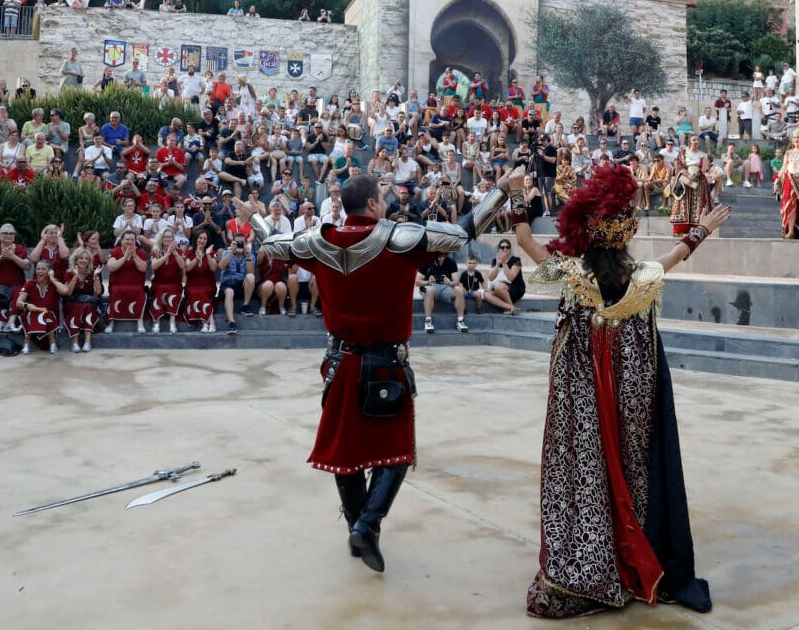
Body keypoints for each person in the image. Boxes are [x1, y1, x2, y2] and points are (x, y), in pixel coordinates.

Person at [245, 171, 515, 574]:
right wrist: (501, 192)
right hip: (386, 364)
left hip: (339, 364)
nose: (386, 203)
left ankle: (358, 529)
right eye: (382, 198)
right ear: (371, 204)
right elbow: (461, 233)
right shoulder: (398, 238)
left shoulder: (319, 242)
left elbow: (270, 243)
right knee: (396, 455)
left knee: (347, 455)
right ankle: (367, 526)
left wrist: (257, 217)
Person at [508, 163, 730, 618]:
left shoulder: (571, 276)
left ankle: (588, 568)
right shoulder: (644, 278)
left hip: (583, 402)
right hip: (632, 397)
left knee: (586, 469)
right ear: (625, 238)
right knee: (634, 469)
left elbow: (525, 240)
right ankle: (634, 557)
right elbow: (674, 257)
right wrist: (700, 231)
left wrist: (515, 193)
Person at [16, 260, 68, 355]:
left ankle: (52, 343)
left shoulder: (54, 284)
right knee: (33, 314)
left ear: (49, 271)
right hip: (31, 314)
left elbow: (65, 291)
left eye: (43, 269)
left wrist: (52, 278)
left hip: (50, 316)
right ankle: (26, 344)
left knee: (47, 313)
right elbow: (18, 303)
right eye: (38, 269)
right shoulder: (30, 283)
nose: (40, 271)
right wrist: (27, 305)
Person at [106, 229, 148, 333]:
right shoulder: (115, 251)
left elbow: (143, 268)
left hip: (136, 285)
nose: (129, 242)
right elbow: (111, 267)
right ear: (121, 240)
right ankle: (111, 323)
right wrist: (125, 257)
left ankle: (140, 322)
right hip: (117, 285)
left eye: (132, 240)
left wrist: (134, 255)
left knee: (139, 291)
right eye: (127, 239)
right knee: (116, 291)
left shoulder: (140, 252)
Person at [670, 136, 713, 237]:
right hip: (685, 180)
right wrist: (687, 175)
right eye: (694, 140)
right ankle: (680, 230)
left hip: (699, 181)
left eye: (697, 140)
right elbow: (678, 165)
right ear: (689, 142)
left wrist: (696, 175)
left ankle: (697, 230)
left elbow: (704, 169)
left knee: (698, 204)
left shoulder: (703, 155)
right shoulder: (683, 153)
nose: (696, 141)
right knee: (683, 204)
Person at [417, 249, 468, 334]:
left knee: (459, 290)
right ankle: (428, 321)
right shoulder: (427, 262)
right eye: (440, 256)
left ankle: (460, 321)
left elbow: (457, 282)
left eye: (445, 255)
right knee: (430, 289)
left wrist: (450, 282)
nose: (442, 258)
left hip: (445, 288)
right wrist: (427, 282)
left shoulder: (451, 262)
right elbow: (417, 282)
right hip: (429, 287)